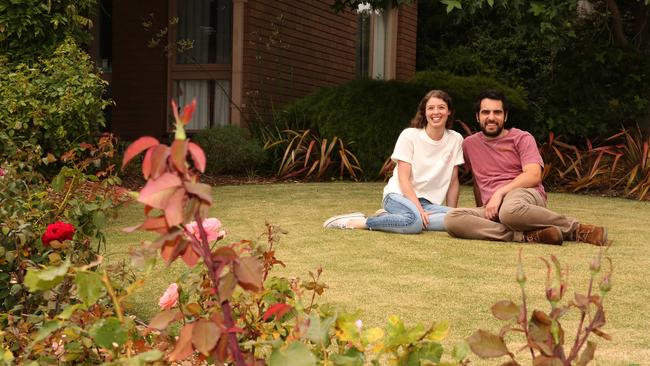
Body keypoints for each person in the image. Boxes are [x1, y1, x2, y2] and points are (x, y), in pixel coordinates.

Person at [444, 89, 607, 245]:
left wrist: (499, 193)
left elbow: (533, 175)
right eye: (486, 112)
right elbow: (476, 179)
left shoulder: (522, 138)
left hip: (524, 196)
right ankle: (526, 236)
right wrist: (484, 206)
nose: (491, 117)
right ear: (477, 117)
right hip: (494, 207)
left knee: (509, 212)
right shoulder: (470, 144)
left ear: (505, 116)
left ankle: (577, 229)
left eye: (497, 112)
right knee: (452, 219)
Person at [323, 90, 464, 234]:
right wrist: (419, 210)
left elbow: (453, 181)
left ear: (449, 111)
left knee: (460, 218)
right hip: (398, 196)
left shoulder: (456, 139)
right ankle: (358, 222)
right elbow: (403, 179)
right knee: (414, 223)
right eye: (431, 108)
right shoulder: (409, 135)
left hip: (428, 203)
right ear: (424, 112)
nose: (436, 112)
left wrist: (453, 214)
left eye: (441, 107)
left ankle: (390, 218)